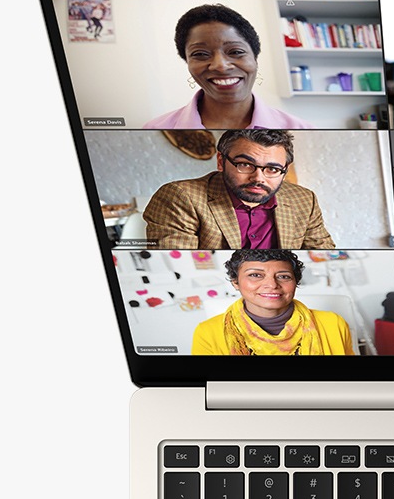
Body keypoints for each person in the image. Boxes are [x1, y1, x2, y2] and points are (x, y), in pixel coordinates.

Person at [143, 129, 334, 249]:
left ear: (284, 171)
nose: (258, 178)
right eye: (245, 164)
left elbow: (323, 254)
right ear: (221, 161)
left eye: (273, 169)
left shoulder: (304, 200)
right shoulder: (180, 197)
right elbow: (180, 265)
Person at [143, 3, 313, 129]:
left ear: (255, 58)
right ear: (188, 62)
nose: (221, 66)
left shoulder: (301, 129)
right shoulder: (154, 128)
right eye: (201, 54)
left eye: (236, 52)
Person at [192, 249, 354, 355]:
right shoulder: (207, 332)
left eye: (284, 276)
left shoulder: (333, 323)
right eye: (255, 275)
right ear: (235, 282)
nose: (272, 285)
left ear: (295, 282)